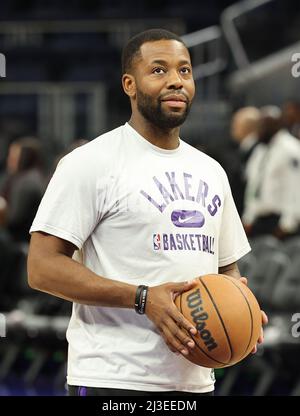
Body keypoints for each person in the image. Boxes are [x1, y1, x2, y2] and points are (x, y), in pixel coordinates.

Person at [28, 29, 267, 396]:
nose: (176, 81)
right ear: (130, 84)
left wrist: (241, 310)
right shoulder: (90, 163)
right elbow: (42, 267)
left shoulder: (211, 171)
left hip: (195, 381)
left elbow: (227, 268)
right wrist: (141, 298)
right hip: (114, 378)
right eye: (159, 70)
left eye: (184, 71)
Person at [243, 106, 300, 238]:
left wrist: (288, 224)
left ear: (276, 125)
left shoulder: (291, 149)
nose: (259, 130)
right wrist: (248, 218)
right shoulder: (260, 150)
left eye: (264, 125)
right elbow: (253, 185)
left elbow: (296, 188)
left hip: (280, 222)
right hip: (259, 220)